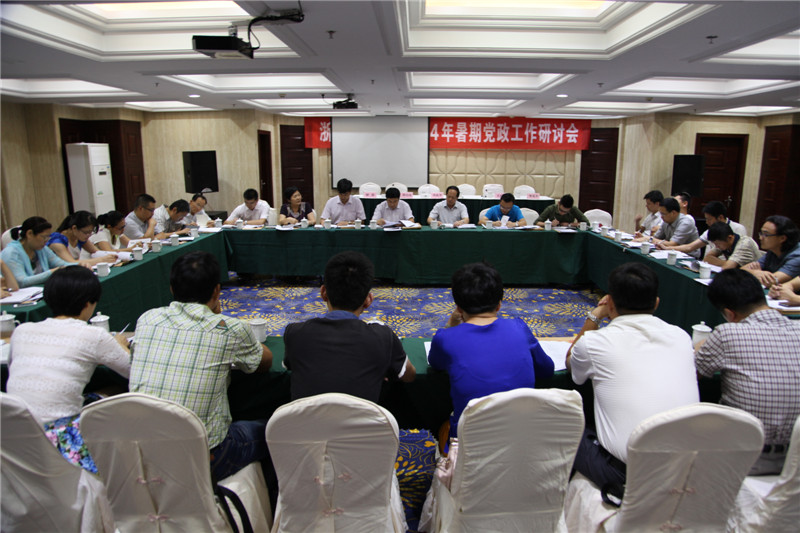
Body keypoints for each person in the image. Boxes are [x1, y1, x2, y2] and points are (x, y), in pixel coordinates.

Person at [130, 251, 273, 480]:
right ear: (217, 291)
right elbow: (265, 361)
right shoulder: (230, 329)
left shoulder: (147, 319)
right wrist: (218, 316)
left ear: (172, 289)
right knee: (274, 429)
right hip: (204, 457)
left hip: (142, 453)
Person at [566, 262, 699, 496]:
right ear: (656, 303)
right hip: (686, 467)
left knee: (561, 424)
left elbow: (570, 362)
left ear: (610, 303)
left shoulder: (595, 342)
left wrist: (595, 316)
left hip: (626, 474)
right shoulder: (681, 336)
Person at [7, 266, 130, 473]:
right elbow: (133, 370)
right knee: (118, 396)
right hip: (59, 439)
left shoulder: (21, 330)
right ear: (88, 304)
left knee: (99, 394)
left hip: (12, 434)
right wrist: (121, 345)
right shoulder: (93, 335)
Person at [428, 262, 553, 444]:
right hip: (522, 439)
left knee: (443, 427)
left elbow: (435, 363)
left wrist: (450, 325)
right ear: (499, 304)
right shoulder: (519, 327)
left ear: (458, 308)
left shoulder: (445, 338)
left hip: (470, 443)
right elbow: (547, 370)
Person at [696, 269, 800, 475]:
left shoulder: (727, 333)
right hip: (794, 460)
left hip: (743, 458)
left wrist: (700, 347)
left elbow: (697, 372)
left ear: (730, 314)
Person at [283, 251, 416, 403]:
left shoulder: (295, 333)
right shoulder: (383, 337)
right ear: (368, 300)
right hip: (364, 419)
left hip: (304, 419)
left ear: (323, 293)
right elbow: (409, 376)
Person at [661, 201, 747, 258]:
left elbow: (738, 255)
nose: (706, 222)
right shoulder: (710, 231)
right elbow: (690, 247)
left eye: (709, 219)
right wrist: (667, 248)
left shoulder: (738, 229)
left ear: (720, 217)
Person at [1, 217, 71, 287]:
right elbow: (21, 282)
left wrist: (76, 265)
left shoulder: (42, 249)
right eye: (44, 237)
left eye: (48, 237)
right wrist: (52, 272)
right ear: (29, 234)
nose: (46, 241)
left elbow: (61, 264)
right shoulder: (11, 253)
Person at [743, 215, 800, 288]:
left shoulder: (797, 256)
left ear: (782, 238)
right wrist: (755, 272)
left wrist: (755, 273)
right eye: (761, 233)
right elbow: (742, 270)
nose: (760, 238)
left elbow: (771, 281)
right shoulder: (773, 250)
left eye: (766, 234)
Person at [47, 211, 116, 266]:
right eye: (86, 232)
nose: (89, 235)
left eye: (91, 232)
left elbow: (96, 252)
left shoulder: (79, 237)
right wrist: (101, 260)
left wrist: (116, 255)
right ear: (74, 228)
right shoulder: (57, 241)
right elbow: (71, 263)